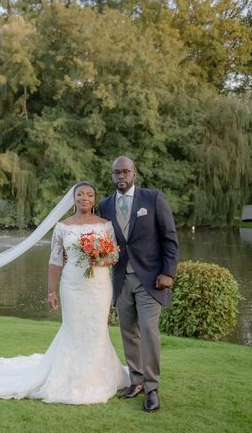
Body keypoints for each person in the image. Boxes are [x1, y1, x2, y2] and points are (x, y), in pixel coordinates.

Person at [0, 182, 130, 404]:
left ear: (95, 199)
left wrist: (99, 258)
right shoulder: (63, 227)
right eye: (80, 194)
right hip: (72, 285)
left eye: (89, 194)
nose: (85, 198)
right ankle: (70, 377)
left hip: (99, 287)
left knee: (97, 329)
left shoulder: (106, 226)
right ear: (73, 198)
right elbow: (55, 259)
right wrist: (51, 292)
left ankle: (97, 376)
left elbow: (114, 256)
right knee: (74, 329)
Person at [99, 156, 179, 412]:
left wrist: (168, 272)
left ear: (134, 173)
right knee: (127, 331)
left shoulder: (153, 199)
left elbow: (169, 238)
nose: (121, 176)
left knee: (148, 330)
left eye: (125, 172)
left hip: (150, 278)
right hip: (120, 278)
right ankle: (136, 381)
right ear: (112, 176)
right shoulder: (105, 205)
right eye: (116, 173)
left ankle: (152, 387)